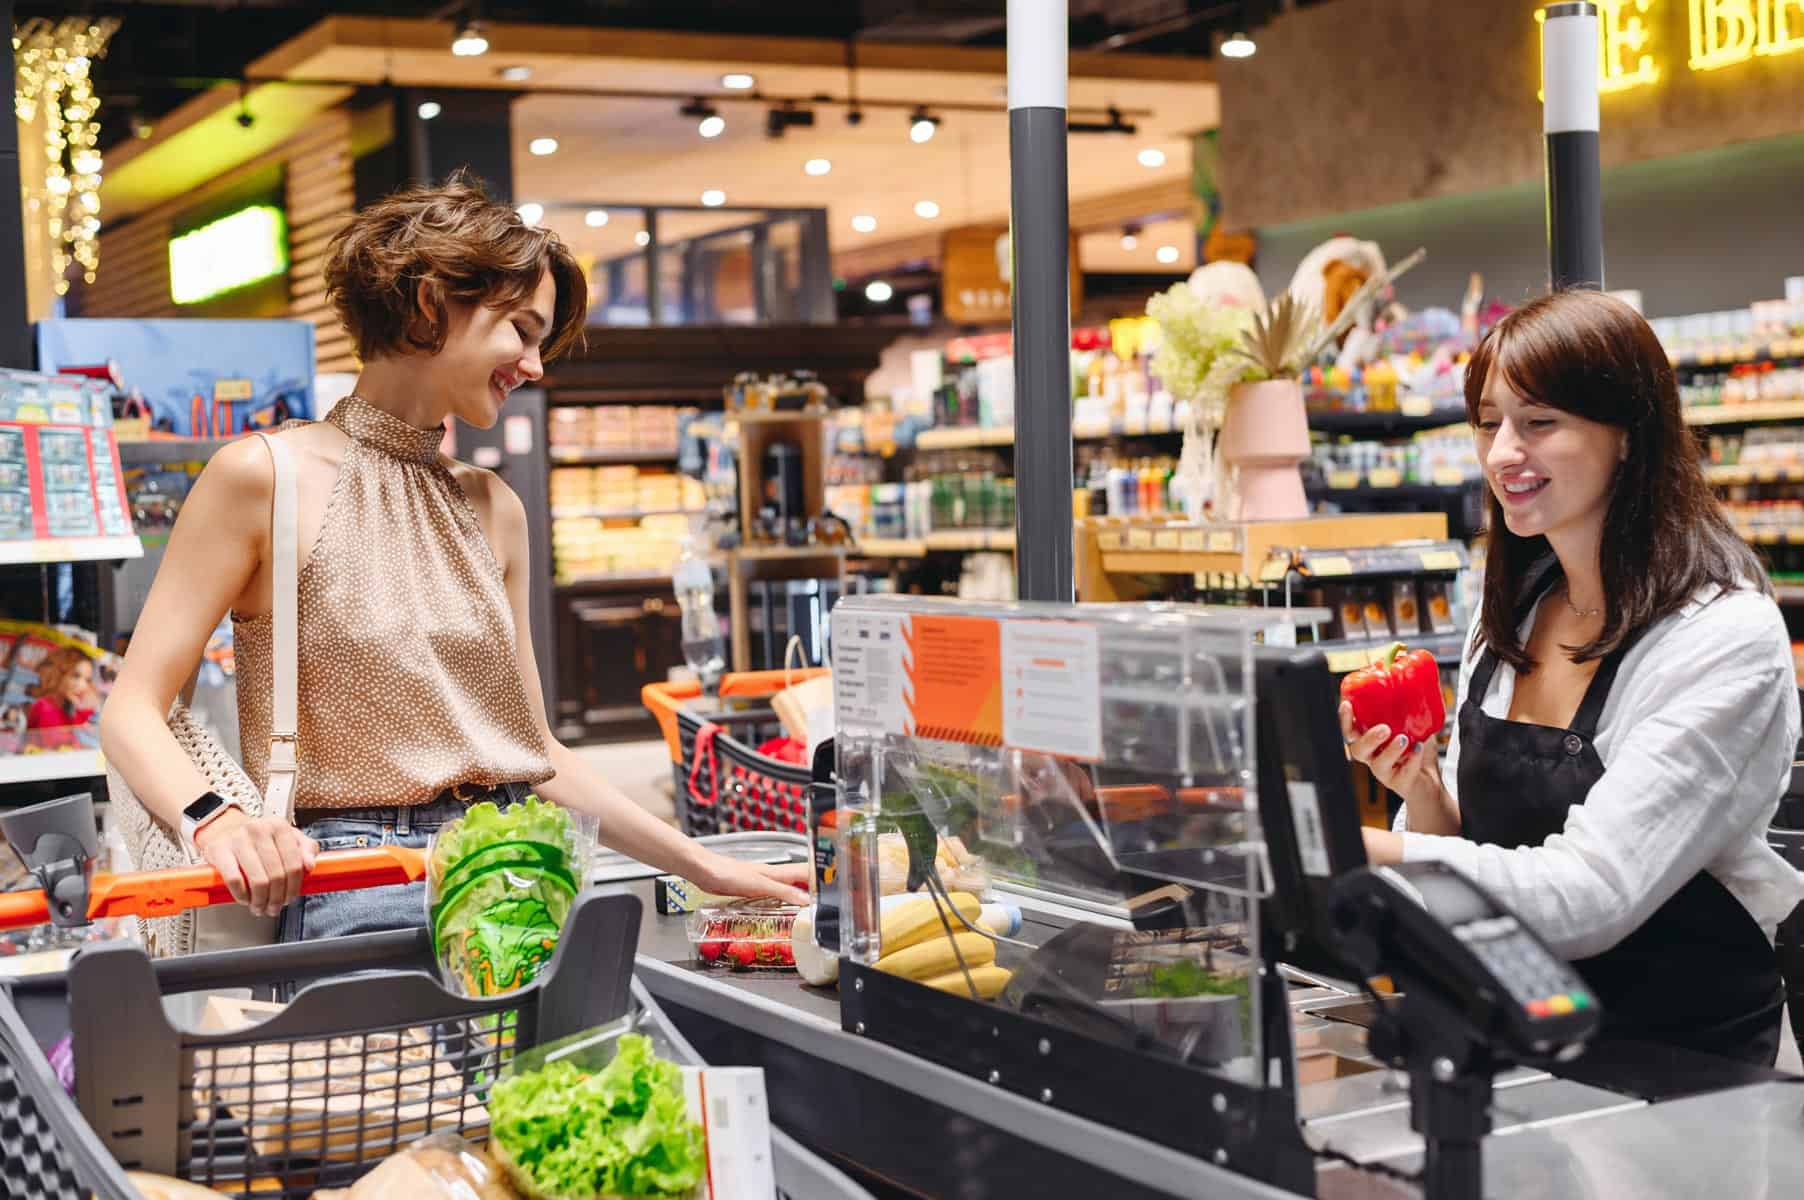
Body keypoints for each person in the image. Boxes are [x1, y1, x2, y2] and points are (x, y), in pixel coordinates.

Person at [100, 175, 809, 941]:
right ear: (432, 304)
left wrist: (703, 865)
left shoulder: (494, 507)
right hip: (361, 881)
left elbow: (534, 754)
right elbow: (132, 709)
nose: (535, 365)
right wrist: (218, 822)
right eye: (522, 329)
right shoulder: (263, 478)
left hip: (526, 865)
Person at [1344, 289, 1804, 1066]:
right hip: (1516, 1037)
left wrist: (1351, 849)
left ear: (1626, 435)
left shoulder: (1721, 636)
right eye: (1490, 423)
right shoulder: (1513, 619)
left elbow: (1589, 898)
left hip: (1682, 1070)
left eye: (1539, 423)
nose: (1501, 454)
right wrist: (1423, 794)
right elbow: (1465, 854)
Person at [27, 646, 98, 748]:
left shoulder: (64, 707)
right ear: (58, 673)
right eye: (75, 676)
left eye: (87, 680)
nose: (83, 686)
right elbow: (60, 746)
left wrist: (84, 710)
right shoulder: (45, 707)